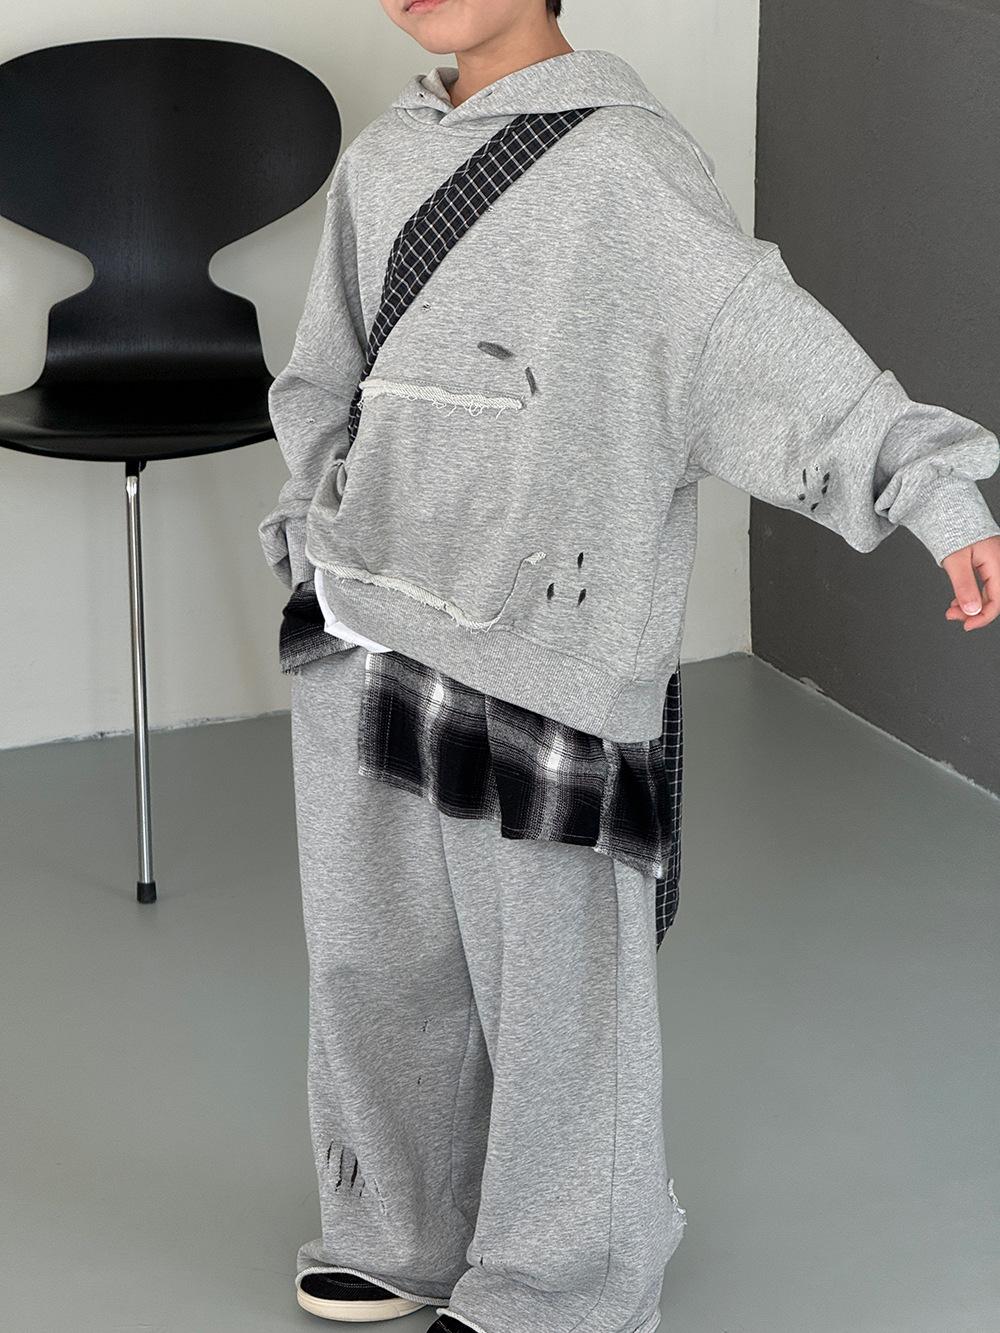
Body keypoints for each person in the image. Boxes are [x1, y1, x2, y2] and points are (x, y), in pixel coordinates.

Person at [257, 2, 1000, 1330]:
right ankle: (397, 1228)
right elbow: (324, 378)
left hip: (542, 652)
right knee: (375, 962)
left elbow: (760, 341)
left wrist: (928, 481)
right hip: (368, 628)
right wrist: (318, 521)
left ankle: (563, 1282)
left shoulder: (625, 163)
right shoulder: (382, 160)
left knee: (558, 997)